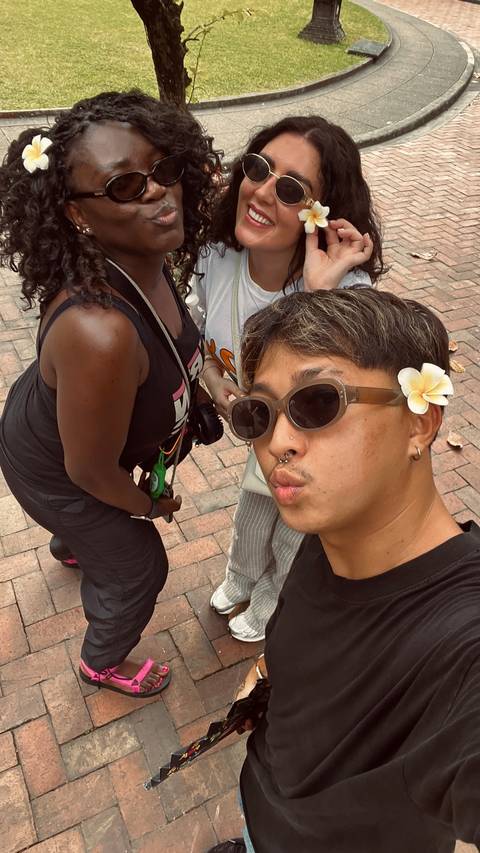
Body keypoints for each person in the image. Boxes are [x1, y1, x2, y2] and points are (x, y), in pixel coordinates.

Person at [208, 288, 480, 852]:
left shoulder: (462, 642)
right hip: (261, 813)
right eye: (258, 414)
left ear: (420, 422)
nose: (277, 442)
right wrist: (268, 679)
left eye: (317, 403)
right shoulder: (330, 530)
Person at [0, 90, 220, 697]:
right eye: (124, 187)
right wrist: (149, 508)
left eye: (164, 171)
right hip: (56, 468)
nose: (157, 192)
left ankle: (75, 544)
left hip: (61, 428)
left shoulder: (141, 261)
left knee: (97, 531)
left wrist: (210, 386)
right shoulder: (99, 332)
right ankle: (102, 661)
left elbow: (174, 348)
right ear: (76, 213)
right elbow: (89, 469)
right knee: (138, 566)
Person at [188, 115, 385, 642]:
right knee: (253, 511)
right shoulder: (218, 256)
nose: (263, 191)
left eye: (293, 188)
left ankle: (273, 598)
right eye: (258, 168)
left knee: (296, 533)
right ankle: (240, 577)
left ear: (320, 212)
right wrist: (211, 377)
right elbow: (198, 326)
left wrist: (320, 296)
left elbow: (342, 387)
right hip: (261, 438)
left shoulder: (345, 288)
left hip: (313, 446)